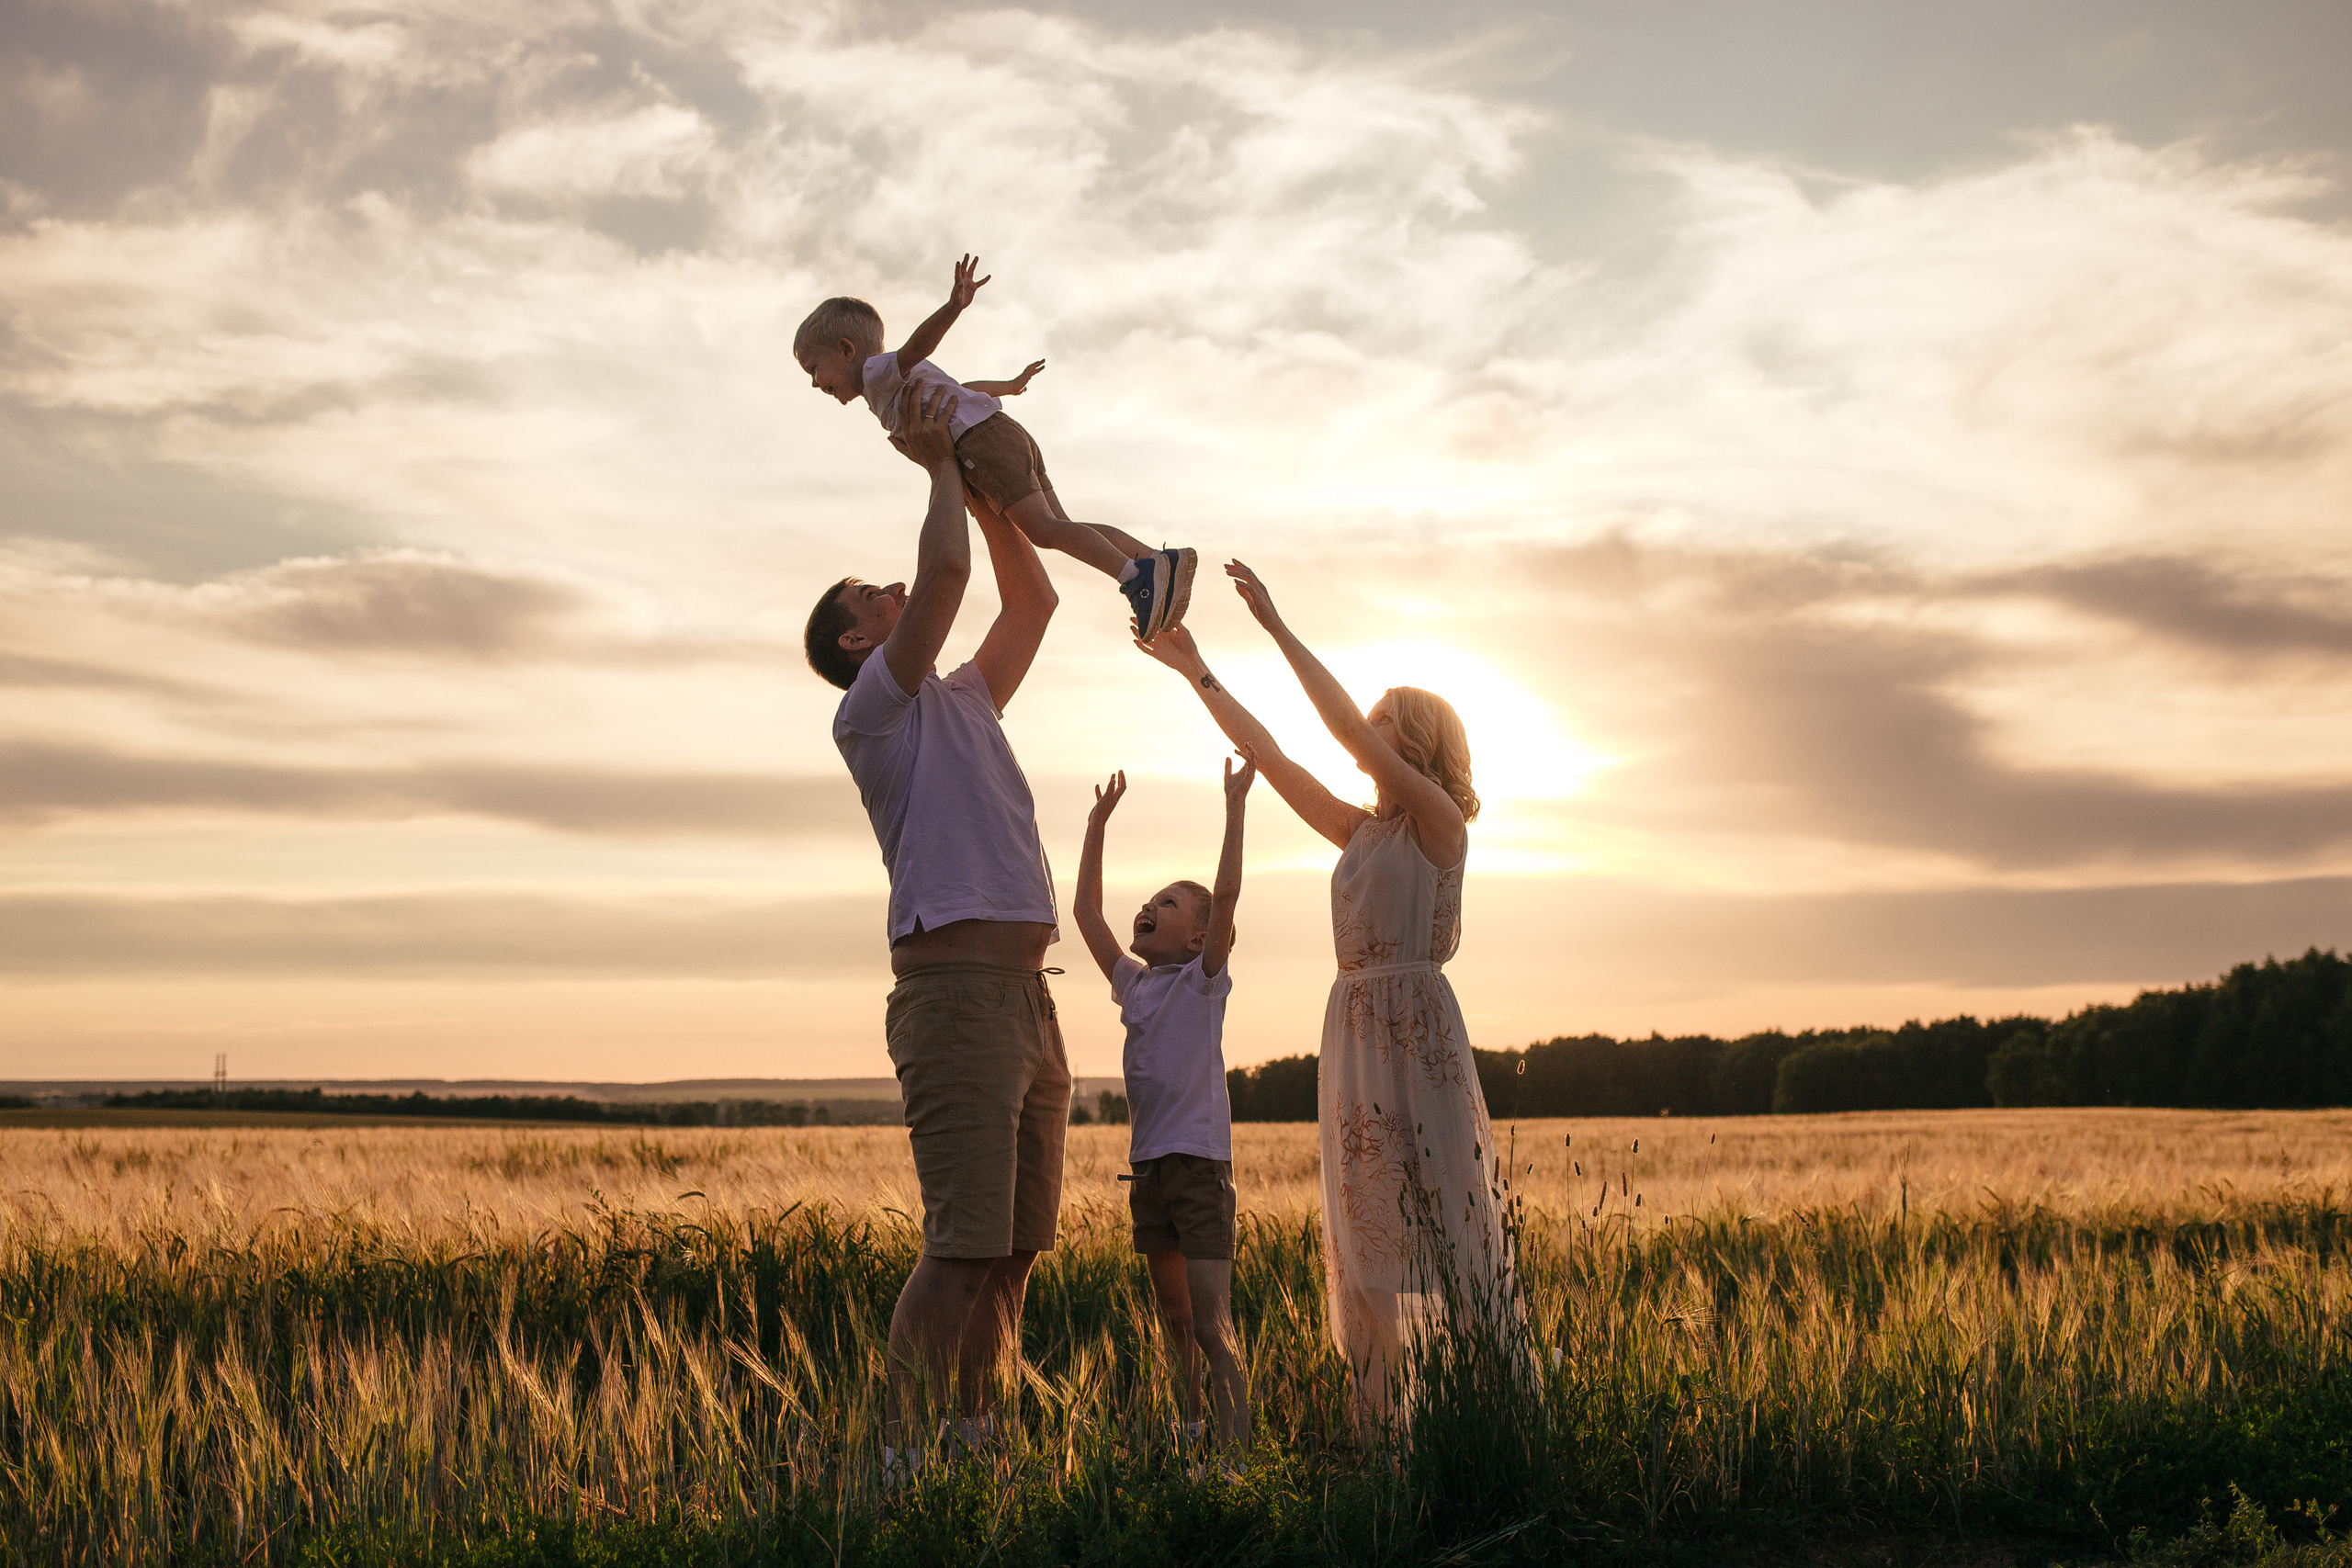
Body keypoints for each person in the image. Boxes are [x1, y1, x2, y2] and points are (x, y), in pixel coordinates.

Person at [1137, 563, 1514, 1431]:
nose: (1368, 729)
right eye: (1372, 715)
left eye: (1386, 719)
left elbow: (1341, 729)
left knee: (1447, 1242)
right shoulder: (1362, 829)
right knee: (1370, 1250)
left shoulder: (1439, 827)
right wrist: (1194, 668)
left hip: (1416, 1040)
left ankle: (1477, 1426)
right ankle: (1383, 1426)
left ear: (1416, 742)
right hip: (1353, 1041)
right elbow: (1269, 755)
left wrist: (1273, 624)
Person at [804, 378, 1071, 1483]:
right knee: (960, 1249)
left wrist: (1002, 490)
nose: (892, 584)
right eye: (871, 592)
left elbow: (1033, 607)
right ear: (859, 637)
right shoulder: (871, 710)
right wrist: (941, 466)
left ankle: (976, 1438)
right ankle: (898, 1459)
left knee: (1012, 1252)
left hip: (1027, 997)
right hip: (955, 996)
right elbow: (953, 575)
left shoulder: (963, 698)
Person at [794, 254, 1197, 638]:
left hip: (980, 444)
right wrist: (1009, 387)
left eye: (814, 368)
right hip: (1001, 431)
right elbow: (961, 390)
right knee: (1061, 524)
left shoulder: (875, 373)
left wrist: (954, 307)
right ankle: (1156, 561)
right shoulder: (890, 384)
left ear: (847, 350)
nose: (815, 383)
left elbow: (919, 345)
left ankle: (1136, 580)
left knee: (1043, 531)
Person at [1071, 760, 1255, 1452]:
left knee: (1212, 1323)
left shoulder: (1202, 984)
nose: (1148, 906)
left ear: (1199, 939)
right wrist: (1096, 826)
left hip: (1200, 1170)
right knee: (1173, 1317)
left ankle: (1235, 1460)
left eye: (1169, 904)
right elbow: (1087, 913)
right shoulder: (1136, 985)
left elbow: (1228, 892)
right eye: (1148, 900)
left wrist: (1234, 808)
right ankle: (1189, 1436)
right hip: (1148, 1172)